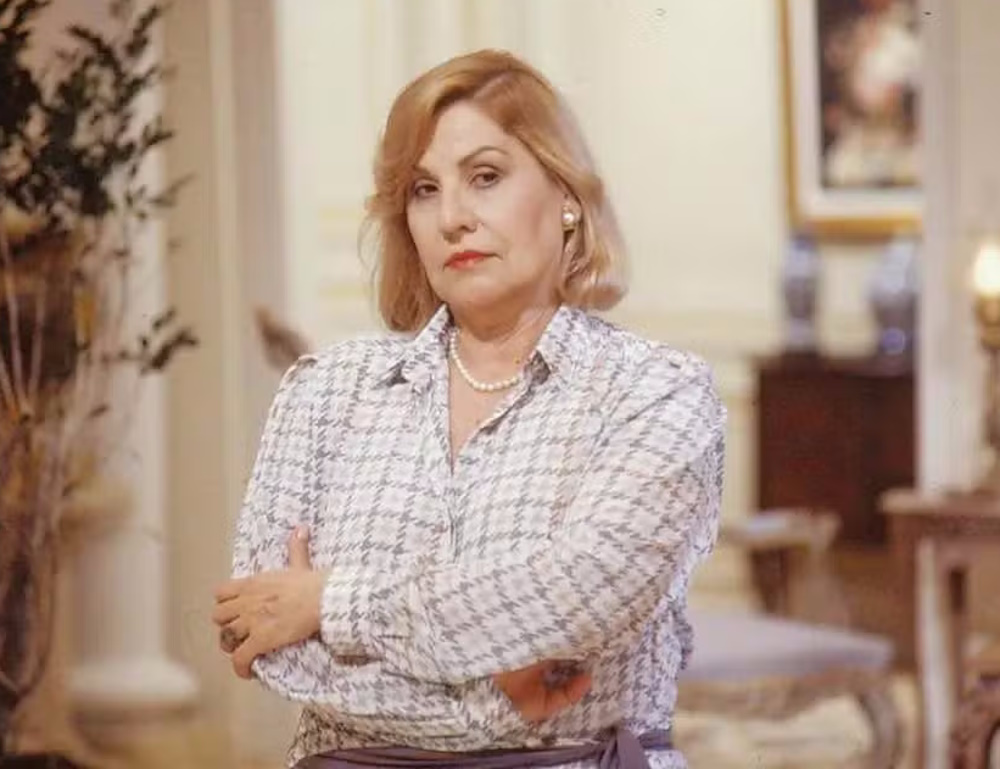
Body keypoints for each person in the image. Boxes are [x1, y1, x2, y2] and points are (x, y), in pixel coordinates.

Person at [212, 49, 725, 769]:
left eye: (485, 177)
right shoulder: (324, 391)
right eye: (424, 190)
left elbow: (578, 599)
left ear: (567, 194)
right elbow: (266, 641)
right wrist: (507, 673)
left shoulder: (657, 393)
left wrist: (328, 604)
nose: (452, 217)